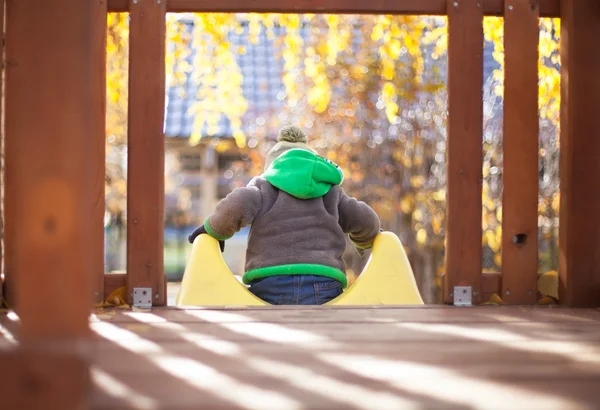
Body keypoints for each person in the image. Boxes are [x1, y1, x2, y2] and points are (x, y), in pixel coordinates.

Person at [188, 126, 380, 305]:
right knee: (321, 326)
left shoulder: (262, 187)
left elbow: (237, 203)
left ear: (273, 166)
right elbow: (365, 219)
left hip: (270, 281)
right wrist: (364, 241)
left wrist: (215, 230)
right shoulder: (331, 193)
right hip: (323, 281)